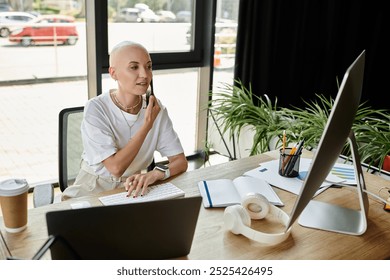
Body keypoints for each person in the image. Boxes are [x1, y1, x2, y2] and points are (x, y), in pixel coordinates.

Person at [62, 41, 188, 200]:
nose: (145, 75)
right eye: (134, 67)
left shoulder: (156, 109)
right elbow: (115, 168)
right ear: (113, 73)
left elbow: (180, 162)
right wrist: (147, 125)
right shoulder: (96, 108)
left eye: (148, 66)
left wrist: (155, 174)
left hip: (133, 186)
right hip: (93, 187)